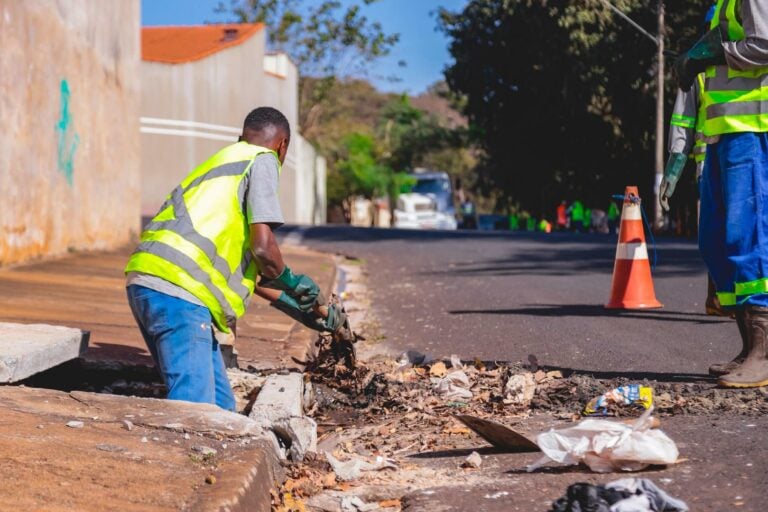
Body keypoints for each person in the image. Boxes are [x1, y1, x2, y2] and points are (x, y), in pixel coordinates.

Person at [124, 107, 341, 409]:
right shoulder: (262, 160)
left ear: (240, 137)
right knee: (193, 410)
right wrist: (296, 283)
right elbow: (264, 249)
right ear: (283, 146)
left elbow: (250, 272)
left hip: (149, 282)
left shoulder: (222, 165)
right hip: (180, 294)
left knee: (222, 409)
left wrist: (298, 309)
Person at [675, 0, 768, 388]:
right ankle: (749, 348)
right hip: (720, 135)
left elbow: (764, 44)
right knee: (715, 241)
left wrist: (715, 52)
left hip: (751, 130)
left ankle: (764, 353)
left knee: (747, 238)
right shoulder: (721, 5)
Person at [662, 8, 726, 317]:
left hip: (750, 156)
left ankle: (738, 301)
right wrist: (673, 171)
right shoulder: (696, 71)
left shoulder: (750, 65)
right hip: (708, 164)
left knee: (744, 232)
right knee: (716, 234)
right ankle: (719, 298)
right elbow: (683, 121)